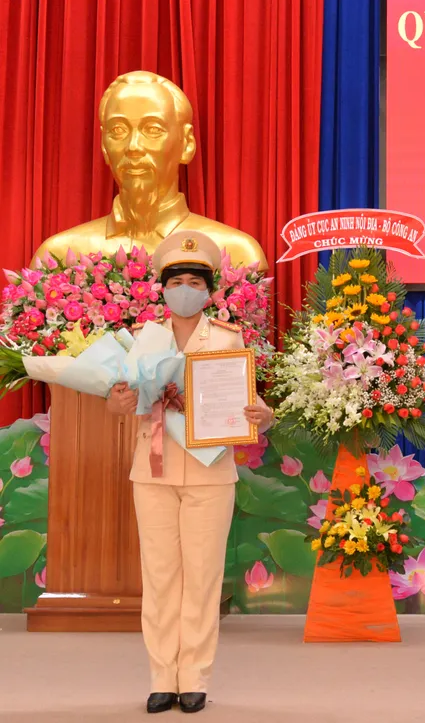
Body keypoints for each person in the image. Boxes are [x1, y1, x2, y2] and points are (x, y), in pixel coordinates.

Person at [107, 229, 273, 714]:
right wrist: (118, 401)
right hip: (152, 470)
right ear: (162, 288)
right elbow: (121, 400)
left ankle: (194, 677)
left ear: (208, 290)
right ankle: (162, 677)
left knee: (202, 577)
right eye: (176, 281)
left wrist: (264, 415)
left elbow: (244, 400)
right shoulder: (142, 339)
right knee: (159, 577)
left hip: (211, 471)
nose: (185, 289)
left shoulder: (227, 337)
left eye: (195, 282)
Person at [31, 70, 267, 269]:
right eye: (118, 130)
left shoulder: (236, 255)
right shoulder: (58, 257)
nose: (133, 147)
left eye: (153, 130)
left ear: (186, 144)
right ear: (104, 146)